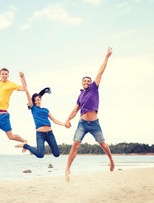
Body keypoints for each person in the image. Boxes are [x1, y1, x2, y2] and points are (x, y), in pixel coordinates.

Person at [64, 47, 115, 181]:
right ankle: (68, 168)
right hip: (82, 123)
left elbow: (101, 71)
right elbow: (75, 110)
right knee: (75, 144)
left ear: (91, 83)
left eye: (88, 81)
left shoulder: (94, 87)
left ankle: (111, 160)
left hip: (94, 124)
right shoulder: (80, 95)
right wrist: (68, 120)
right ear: (82, 83)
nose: (86, 82)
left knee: (103, 144)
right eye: (84, 81)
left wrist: (107, 57)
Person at [15, 72, 68, 157]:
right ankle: (25, 145)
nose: (37, 101)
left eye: (38, 99)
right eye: (35, 100)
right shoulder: (33, 108)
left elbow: (54, 120)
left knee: (57, 154)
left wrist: (64, 124)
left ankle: (25, 145)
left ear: (40, 99)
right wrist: (22, 77)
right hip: (40, 134)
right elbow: (27, 92)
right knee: (40, 155)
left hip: (50, 133)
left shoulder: (46, 110)